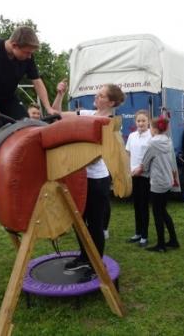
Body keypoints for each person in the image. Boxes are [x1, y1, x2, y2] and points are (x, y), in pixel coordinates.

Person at [59, 84, 125, 281]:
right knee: (79, 221)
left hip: (97, 181)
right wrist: (60, 95)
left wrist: (76, 155)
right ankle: (83, 257)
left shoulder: (109, 123)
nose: (96, 96)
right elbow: (56, 114)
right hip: (80, 178)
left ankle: (96, 263)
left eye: (101, 95)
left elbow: (97, 157)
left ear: (111, 102)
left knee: (94, 224)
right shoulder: (88, 113)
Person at [0, 25, 58, 122]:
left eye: (31, 53)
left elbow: (37, 81)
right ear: (14, 45)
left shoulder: (28, 57)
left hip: (8, 95)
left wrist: (48, 107)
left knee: (25, 123)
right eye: (27, 52)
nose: (29, 56)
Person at [138, 116, 179, 253]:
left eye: (150, 126)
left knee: (157, 213)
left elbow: (144, 164)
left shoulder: (152, 143)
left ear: (154, 129)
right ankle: (173, 240)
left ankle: (161, 245)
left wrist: (134, 172)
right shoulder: (168, 140)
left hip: (158, 182)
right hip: (167, 180)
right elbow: (172, 161)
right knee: (163, 211)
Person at [125, 110, 152, 247]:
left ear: (148, 122)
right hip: (133, 175)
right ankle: (138, 233)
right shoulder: (132, 136)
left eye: (143, 121)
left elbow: (151, 157)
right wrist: (128, 170)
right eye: (138, 121)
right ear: (135, 122)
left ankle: (145, 236)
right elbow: (128, 153)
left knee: (143, 206)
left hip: (145, 175)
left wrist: (141, 168)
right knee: (136, 205)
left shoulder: (151, 137)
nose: (141, 123)